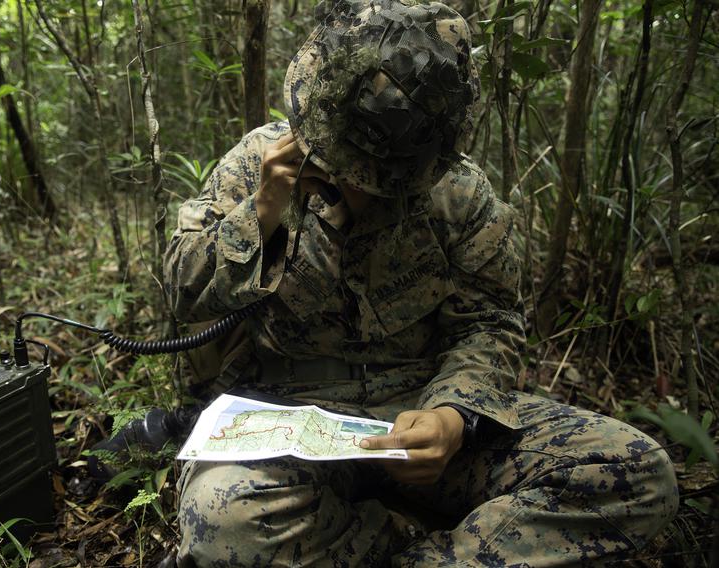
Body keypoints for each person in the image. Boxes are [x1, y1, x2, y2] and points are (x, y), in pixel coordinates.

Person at [162, 1, 678, 565]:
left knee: (635, 470)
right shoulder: (258, 164)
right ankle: (399, 538)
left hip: (420, 417)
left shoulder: (458, 193)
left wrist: (453, 416)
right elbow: (183, 293)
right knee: (225, 522)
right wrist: (262, 211)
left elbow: (491, 322)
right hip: (288, 421)